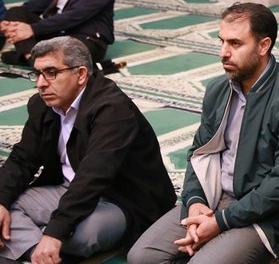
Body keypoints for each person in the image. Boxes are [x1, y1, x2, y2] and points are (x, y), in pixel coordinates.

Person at [128, 2, 279, 264]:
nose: (223, 52)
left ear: (263, 46)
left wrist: (221, 221)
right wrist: (195, 202)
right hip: (213, 199)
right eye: (222, 41)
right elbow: (199, 152)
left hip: (263, 215)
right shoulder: (218, 90)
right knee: (142, 257)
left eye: (235, 43)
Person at [0, 36, 175, 263]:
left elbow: (94, 176)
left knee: (81, 236)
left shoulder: (113, 110)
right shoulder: (42, 105)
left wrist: (55, 233)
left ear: (81, 74)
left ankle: (33, 245)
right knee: (3, 208)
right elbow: (22, 159)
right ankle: (39, 254)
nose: (41, 83)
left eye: (51, 72)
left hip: (121, 199)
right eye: (38, 73)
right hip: (67, 189)